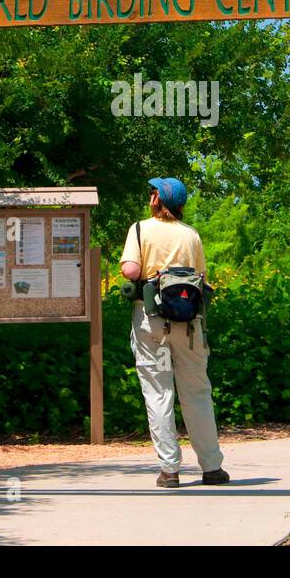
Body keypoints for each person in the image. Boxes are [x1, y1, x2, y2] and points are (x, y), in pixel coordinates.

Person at [120, 176, 230, 488]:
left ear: (158, 200)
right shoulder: (192, 235)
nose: (150, 196)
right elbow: (202, 277)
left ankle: (170, 471)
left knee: (158, 391)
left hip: (151, 318)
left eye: (153, 192)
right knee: (196, 391)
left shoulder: (140, 229)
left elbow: (130, 271)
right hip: (190, 322)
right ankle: (212, 468)